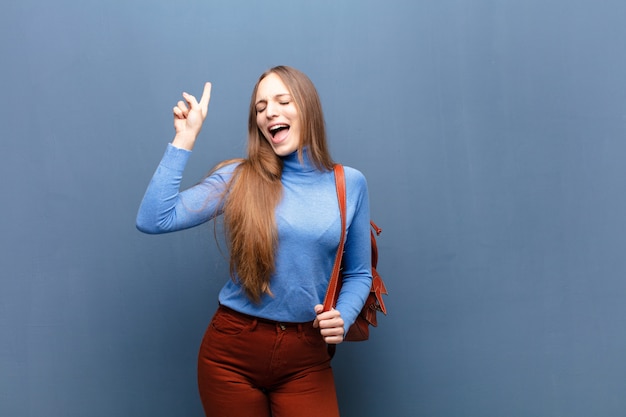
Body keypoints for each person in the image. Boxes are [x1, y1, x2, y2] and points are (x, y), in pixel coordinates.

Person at [136, 65, 372, 417]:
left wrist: (344, 315)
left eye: (281, 101)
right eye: (260, 108)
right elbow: (154, 219)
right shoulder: (239, 178)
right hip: (231, 355)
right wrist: (184, 138)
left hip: (305, 357)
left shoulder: (349, 184)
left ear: (307, 108)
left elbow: (358, 274)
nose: (269, 113)